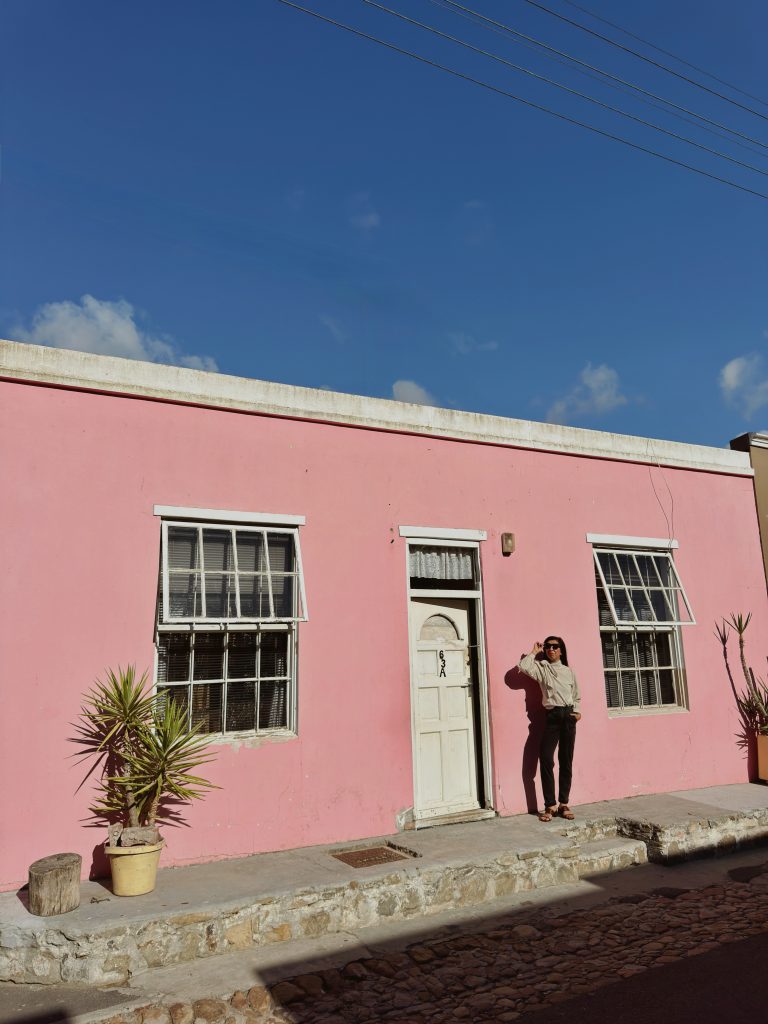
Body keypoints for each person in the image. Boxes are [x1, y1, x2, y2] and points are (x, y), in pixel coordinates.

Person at [518, 636, 582, 822]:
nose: (551, 649)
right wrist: (534, 652)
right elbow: (523, 666)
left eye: (555, 646)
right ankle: (550, 805)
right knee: (546, 758)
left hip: (568, 716)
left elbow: (576, 695)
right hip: (552, 716)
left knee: (566, 760)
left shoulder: (569, 671)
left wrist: (577, 712)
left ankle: (564, 803)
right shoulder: (542, 669)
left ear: (561, 650)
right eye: (548, 646)